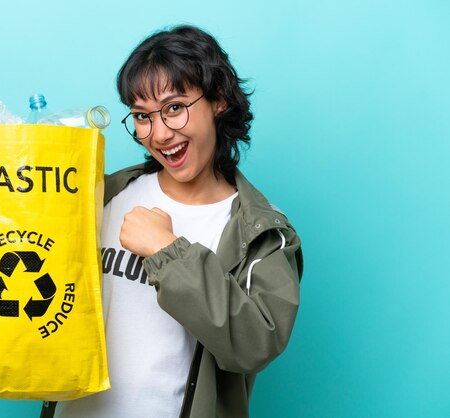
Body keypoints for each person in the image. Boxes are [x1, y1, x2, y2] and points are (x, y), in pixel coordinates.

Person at [40, 24, 303, 418]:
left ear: (219, 101)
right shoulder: (102, 197)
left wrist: (167, 251)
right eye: (142, 116)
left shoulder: (262, 232)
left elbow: (255, 345)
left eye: (175, 108)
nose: (160, 133)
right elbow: (43, 283)